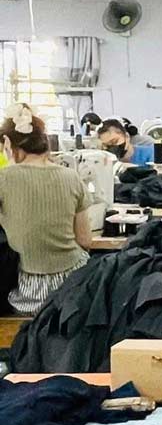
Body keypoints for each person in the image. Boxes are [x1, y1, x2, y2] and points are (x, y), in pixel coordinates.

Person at [0, 104, 91, 316]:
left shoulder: (4, 178)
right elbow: (85, 241)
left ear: (7, 143)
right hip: (72, 289)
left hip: (28, 294)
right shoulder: (72, 177)